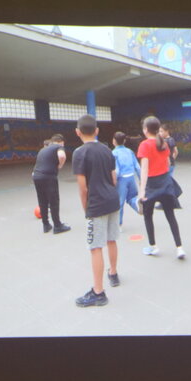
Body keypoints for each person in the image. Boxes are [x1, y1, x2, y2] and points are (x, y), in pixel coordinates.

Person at [71, 114, 121, 308]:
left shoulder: (79, 153)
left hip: (97, 204)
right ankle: (113, 274)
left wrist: (86, 209)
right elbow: (114, 179)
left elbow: (83, 188)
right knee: (111, 240)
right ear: (97, 131)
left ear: (77, 132)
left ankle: (98, 292)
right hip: (112, 200)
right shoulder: (108, 151)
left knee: (95, 247)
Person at [138, 116, 185, 259]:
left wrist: (141, 191)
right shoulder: (163, 143)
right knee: (170, 216)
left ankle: (153, 246)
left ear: (146, 130)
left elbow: (144, 170)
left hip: (151, 185)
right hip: (165, 183)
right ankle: (179, 248)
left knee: (148, 216)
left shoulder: (144, 145)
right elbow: (168, 164)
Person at [31, 134, 71, 234]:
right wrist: (60, 165)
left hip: (36, 176)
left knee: (42, 200)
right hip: (48, 176)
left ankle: (46, 225)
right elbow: (62, 156)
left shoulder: (43, 149)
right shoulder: (59, 147)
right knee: (54, 201)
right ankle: (57, 226)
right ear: (61, 142)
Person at [111, 131, 142, 232]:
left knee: (119, 202)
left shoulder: (114, 153)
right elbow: (137, 166)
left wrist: (113, 181)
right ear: (124, 141)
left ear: (114, 141)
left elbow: (116, 170)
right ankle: (137, 204)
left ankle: (119, 225)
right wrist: (141, 178)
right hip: (131, 177)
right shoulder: (130, 151)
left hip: (122, 180)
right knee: (132, 197)